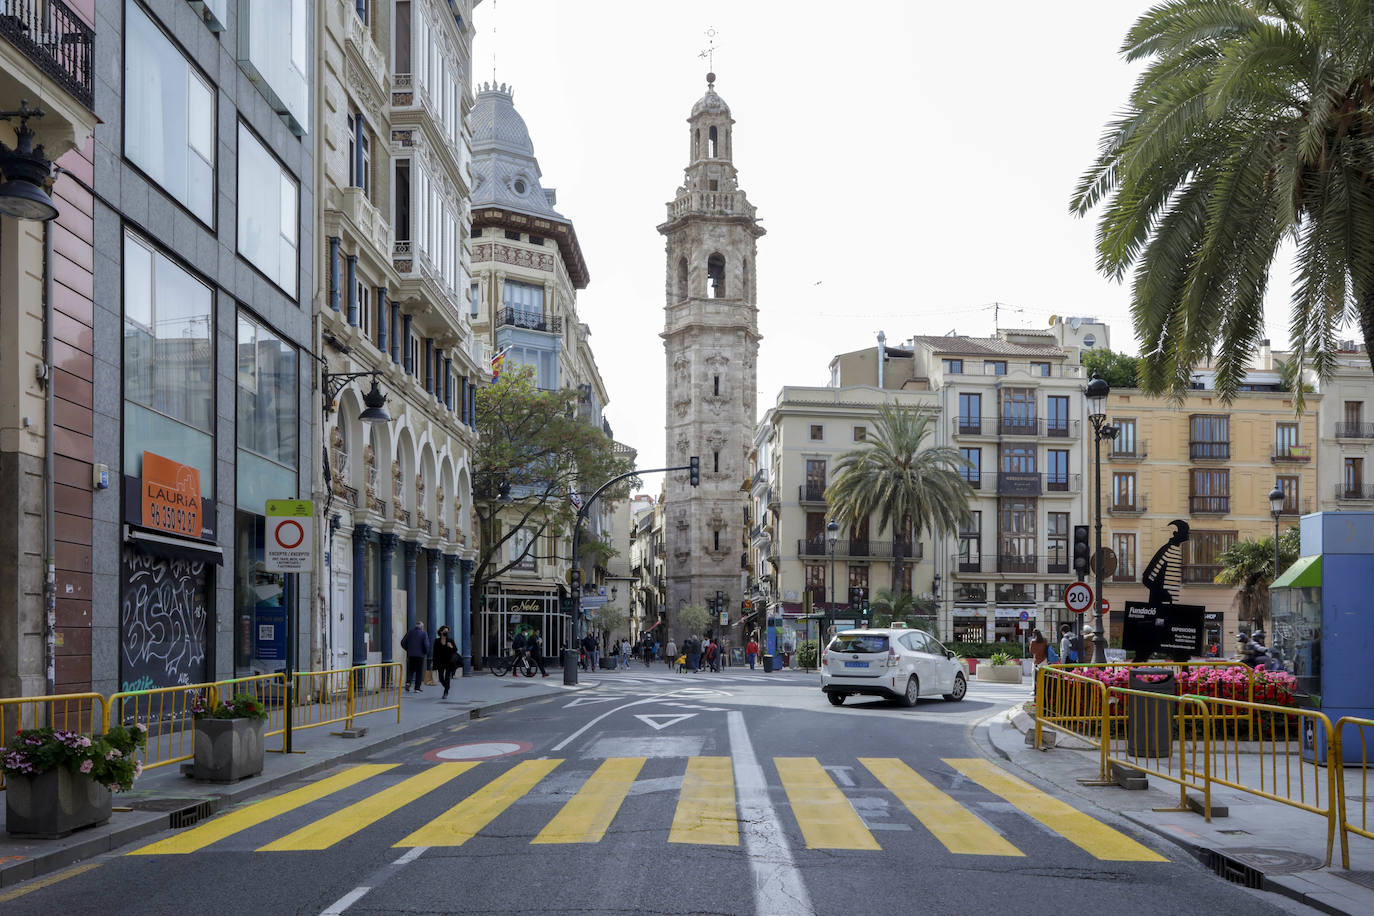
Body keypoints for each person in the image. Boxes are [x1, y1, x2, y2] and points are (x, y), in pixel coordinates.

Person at [400, 620, 430, 693]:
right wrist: (425, 652)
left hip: (411, 655)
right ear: (422, 627)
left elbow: (403, 642)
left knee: (410, 670)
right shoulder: (424, 633)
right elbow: (426, 644)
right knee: (419, 672)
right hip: (420, 656)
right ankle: (417, 688)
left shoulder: (410, 632)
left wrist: (408, 649)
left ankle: (408, 683)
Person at [433, 626, 459, 699]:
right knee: (441, 678)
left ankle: (445, 692)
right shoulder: (437, 641)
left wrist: (451, 647)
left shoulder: (450, 640)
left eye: (447, 631)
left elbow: (455, 650)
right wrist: (433, 662)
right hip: (440, 662)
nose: (446, 632)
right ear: (441, 632)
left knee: (447, 677)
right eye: (445, 631)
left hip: (449, 661)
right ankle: (447, 687)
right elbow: (434, 653)